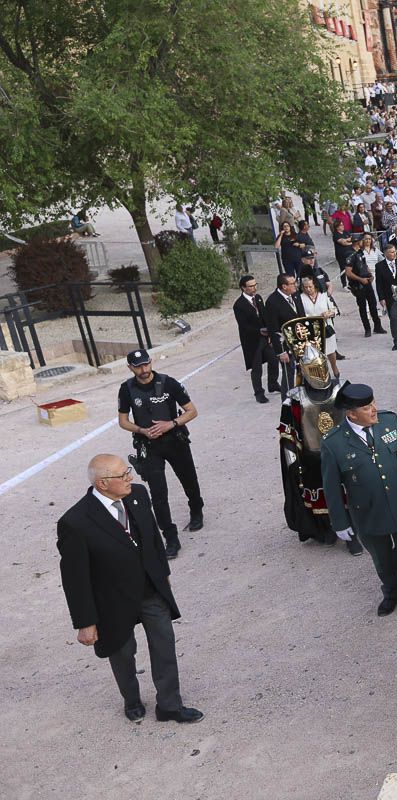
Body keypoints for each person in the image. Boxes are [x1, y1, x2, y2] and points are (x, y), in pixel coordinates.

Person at [56, 454, 203, 724]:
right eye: (123, 475)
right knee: (123, 655)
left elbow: (152, 537)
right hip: (112, 602)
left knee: (165, 646)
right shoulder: (75, 522)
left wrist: (163, 573)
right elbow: (74, 579)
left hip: (150, 590)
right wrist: (85, 622)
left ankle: (170, 705)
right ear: (102, 483)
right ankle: (132, 699)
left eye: (128, 472)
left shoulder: (138, 494)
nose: (130, 478)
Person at [320, 383, 397, 616]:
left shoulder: (390, 421)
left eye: (373, 403)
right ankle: (391, 593)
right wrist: (340, 522)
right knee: (381, 557)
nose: (375, 409)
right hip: (368, 511)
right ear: (351, 414)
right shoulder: (333, 442)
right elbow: (332, 487)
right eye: (367, 407)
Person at [277, 317, 358, 554]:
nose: (320, 373)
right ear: (303, 370)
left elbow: (356, 415)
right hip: (313, 456)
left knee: (349, 492)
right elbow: (288, 432)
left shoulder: (342, 388)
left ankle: (353, 533)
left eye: (322, 367)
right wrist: (292, 460)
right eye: (314, 369)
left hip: (344, 451)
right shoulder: (294, 397)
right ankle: (325, 530)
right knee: (318, 493)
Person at [117, 350, 204, 560]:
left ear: (151, 362)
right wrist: (142, 430)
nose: (143, 369)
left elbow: (192, 411)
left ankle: (196, 509)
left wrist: (171, 424)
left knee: (189, 479)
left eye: (146, 364)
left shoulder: (169, 383)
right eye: (138, 366)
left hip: (175, 441)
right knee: (158, 494)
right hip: (149, 446)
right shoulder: (127, 389)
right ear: (130, 367)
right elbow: (123, 420)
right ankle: (170, 537)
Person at [233, 274, 280, 404]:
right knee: (257, 367)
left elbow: (264, 315)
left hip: (265, 338)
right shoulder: (239, 305)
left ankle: (273, 383)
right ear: (243, 288)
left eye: (255, 285)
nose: (254, 288)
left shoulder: (258, 298)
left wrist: (269, 332)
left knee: (274, 360)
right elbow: (243, 325)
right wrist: (258, 331)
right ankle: (259, 392)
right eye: (250, 286)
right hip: (252, 342)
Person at [263, 273, 305, 395]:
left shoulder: (295, 295)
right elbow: (273, 329)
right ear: (284, 286)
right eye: (292, 283)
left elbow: (301, 317)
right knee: (289, 375)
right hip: (285, 345)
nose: (296, 285)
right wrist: (281, 351)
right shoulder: (272, 302)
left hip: (299, 342)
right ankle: (287, 402)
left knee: (301, 371)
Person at [298, 275, 340, 379]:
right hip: (311, 330)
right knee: (317, 354)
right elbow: (300, 314)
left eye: (310, 286)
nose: (308, 289)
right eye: (305, 287)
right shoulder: (300, 298)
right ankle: (324, 373)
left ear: (315, 286)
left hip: (326, 327)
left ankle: (335, 368)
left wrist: (329, 313)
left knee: (331, 351)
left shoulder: (323, 295)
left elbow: (334, 309)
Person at [343, 236, 385, 338]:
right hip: (358, 285)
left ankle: (377, 326)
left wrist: (370, 275)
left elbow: (364, 265)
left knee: (373, 305)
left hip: (367, 282)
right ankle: (367, 328)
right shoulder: (350, 254)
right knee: (362, 307)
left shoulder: (360, 252)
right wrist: (360, 279)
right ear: (357, 242)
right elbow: (348, 273)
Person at [374, 243, 397, 351]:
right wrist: (381, 298)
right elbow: (379, 284)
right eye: (392, 252)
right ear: (386, 253)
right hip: (389, 296)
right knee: (393, 318)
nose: (394, 253)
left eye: (395, 251)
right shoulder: (379, 266)